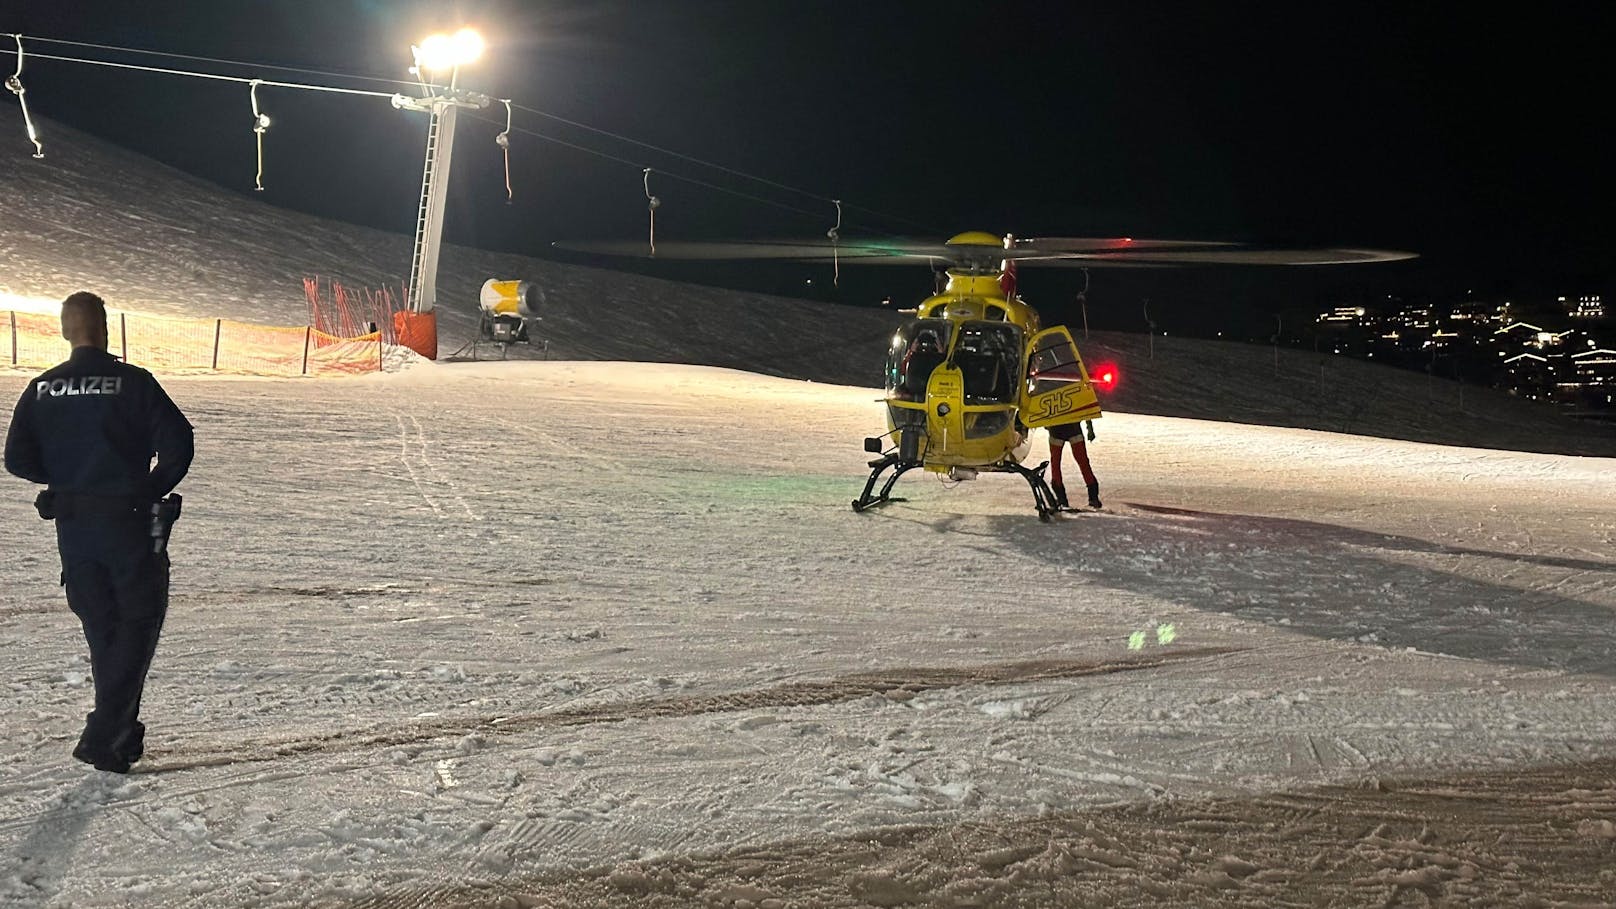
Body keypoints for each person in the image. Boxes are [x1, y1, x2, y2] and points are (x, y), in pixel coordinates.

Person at [4, 291, 193, 773]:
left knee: (103, 629)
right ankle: (104, 732)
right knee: (137, 623)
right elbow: (179, 446)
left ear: (66, 331)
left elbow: (17, 459)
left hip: (74, 528)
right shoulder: (133, 383)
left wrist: (69, 479)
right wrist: (146, 489)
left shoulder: (43, 387)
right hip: (129, 525)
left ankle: (119, 736)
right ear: (105, 328)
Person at [1047, 420, 1101, 510]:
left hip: (1056, 428)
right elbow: (1084, 407)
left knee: (1055, 464)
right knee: (1083, 463)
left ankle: (1061, 499)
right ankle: (1093, 497)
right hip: (1074, 428)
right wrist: (1090, 428)